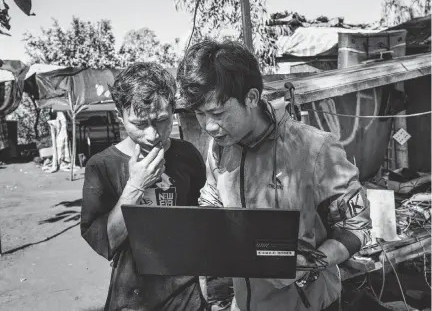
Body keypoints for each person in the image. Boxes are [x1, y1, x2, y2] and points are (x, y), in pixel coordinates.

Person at [176, 40, 372, 311]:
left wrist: (307, 263)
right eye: (199, 114)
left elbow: (357, 227)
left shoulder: (315, 148)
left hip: (310, 304)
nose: (209, 126)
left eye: (218, 113)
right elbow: (213, 202)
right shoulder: (220, 148)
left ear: (252, 97)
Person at [81, 62, 207, 311]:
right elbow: (106, 242)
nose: (152, 134)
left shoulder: (188, 155)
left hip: (187, 296)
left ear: (173, 111)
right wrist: (136, 186)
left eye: (162, 120)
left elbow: (203, 220)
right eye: (139, 124)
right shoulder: (101, 166)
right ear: (120, 117)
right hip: (133, 298)